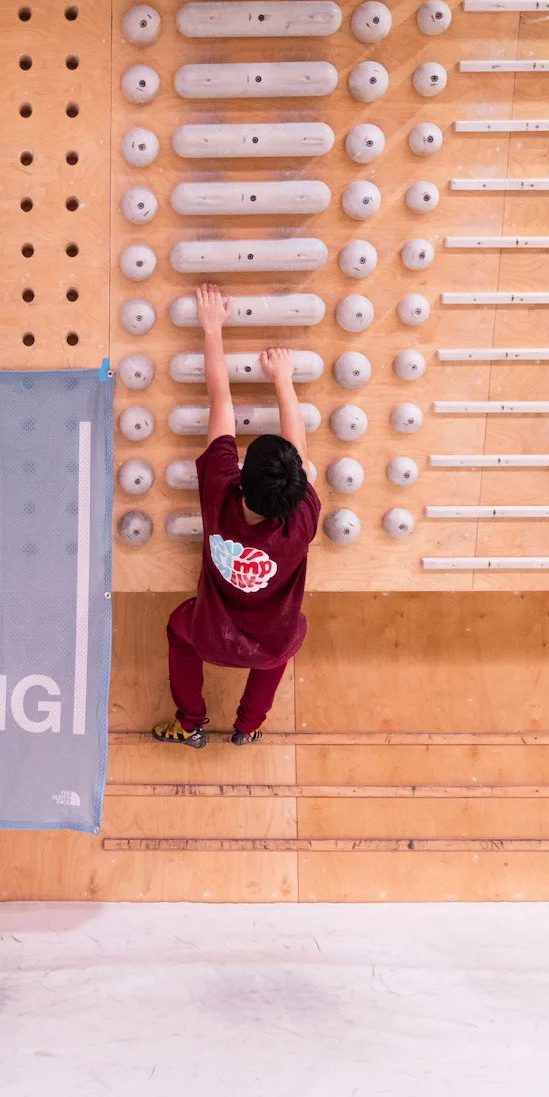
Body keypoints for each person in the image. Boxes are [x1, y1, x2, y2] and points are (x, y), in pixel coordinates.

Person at [153, 281, 319, 749]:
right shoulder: (302, 521)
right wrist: (283, 379)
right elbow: (300, 447)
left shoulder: (219, 493)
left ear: (241, 478)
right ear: (298, 490)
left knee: (178, 630)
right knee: (277, 654)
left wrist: (212, 329)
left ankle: (190, 723)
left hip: (211, 633)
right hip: (273, 640)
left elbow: (220, 401)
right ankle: (248, 726)